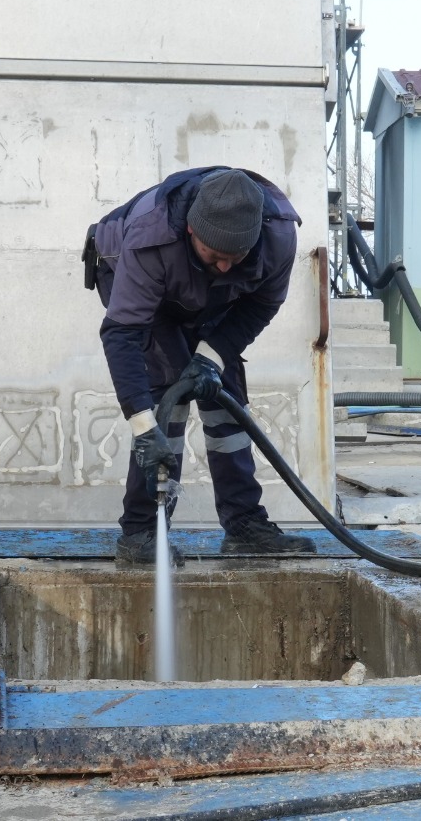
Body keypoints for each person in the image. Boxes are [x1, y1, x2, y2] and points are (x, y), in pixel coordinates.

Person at [84, 166, 317, 565]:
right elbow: (122, 333)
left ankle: (244, 523)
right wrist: (143, 426)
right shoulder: (150, 239)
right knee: (168, 391)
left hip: (207, 294)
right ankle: (142, 532)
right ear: (193, 231)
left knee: (224, 395)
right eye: (216, 255)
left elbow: (261, 305)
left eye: (236, 257)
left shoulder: (278, 236)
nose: (226, 266)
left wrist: (210, 359)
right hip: (127, 270)